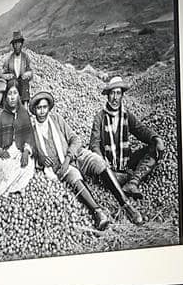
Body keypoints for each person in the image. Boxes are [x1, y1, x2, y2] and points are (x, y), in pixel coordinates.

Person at [25, 88, 126, 230]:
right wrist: (39, 159)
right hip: (60, 168)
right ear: (34, 110)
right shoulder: (32, 131)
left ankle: (126, 204)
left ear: (49, 108)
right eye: (38, 108)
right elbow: (29, 151)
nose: (42, 111)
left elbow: (75, 139)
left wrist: (67, 159)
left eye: (44, 107)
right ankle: (98, 212)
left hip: (75, 156)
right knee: (74, 178)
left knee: (98, 162)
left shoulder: (57, 120)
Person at [92, 76, 159, 201]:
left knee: (155, 148)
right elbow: (94, 144)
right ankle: (122, 179)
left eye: (118, 93)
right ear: (108, 96)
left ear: (122, 95)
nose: (115, 98)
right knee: (104, 175)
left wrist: (155, 138)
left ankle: (132, 182)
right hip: (109, 166)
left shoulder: (127, 115)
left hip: (126, 162)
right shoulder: (100, 117)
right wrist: (102, 162)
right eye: (112, 93)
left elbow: (141, 130)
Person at [3, 31, 36, 107]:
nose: (17, 46)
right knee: (13, 83)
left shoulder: (25, 57)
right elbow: (3, 73)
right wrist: (8, 75)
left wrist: (28, 73)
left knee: (25, 82)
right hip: (13, 81)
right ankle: (11, 106)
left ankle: (25, 106)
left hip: (22, 81)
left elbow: (30, 71)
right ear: (13, 46)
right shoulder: (9, 58)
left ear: (21, 44)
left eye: (19, 43)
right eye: (15, 44)